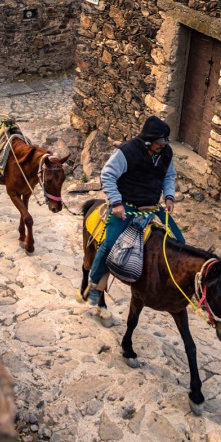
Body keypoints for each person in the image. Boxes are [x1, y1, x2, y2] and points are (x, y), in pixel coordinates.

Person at [87, 115, 176, 303]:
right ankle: (93, 284)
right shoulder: (127, 152)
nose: (162, 146)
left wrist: (169, 197)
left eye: (164, 142)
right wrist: (117, 203)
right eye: (159, 142)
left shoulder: (166, 153)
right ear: (148, 141)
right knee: (109, 244)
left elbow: (169, 176)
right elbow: (108, 175)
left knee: (176, 243)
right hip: (126, 207)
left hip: (150, 209)